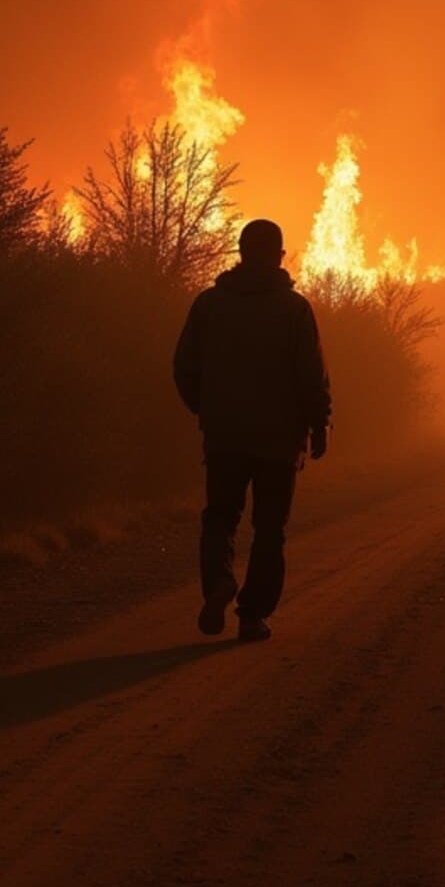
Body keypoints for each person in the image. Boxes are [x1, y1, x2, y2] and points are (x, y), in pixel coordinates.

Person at [172, 218, 331, 642]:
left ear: (240, 253)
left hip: (224, 436)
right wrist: (319, 425)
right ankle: (252, 615)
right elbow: (311, 376)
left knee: (220, 517)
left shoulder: (208, 305)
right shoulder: (295, 309)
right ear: (279, 256)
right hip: (279, 442)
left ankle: (219, 582)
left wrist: (207, 411)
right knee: (269, 527)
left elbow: (184, 368)